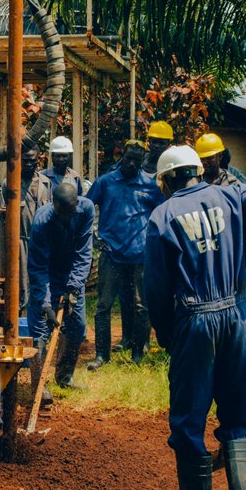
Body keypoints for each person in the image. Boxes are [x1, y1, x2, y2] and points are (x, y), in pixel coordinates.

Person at [145, 146, 246, 490]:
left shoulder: (163, 216)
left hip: (196, 319)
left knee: (189, 421)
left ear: (168, 180)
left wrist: (165, 332)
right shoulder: (230, 194)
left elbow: (156, 289)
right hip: (239, 316)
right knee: (239, 415)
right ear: (196, 171)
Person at [87, 140, 163, 368]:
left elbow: (161, 215)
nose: (130, 164)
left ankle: (138, 354)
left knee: (141, 307)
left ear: (142, 162)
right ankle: (102, 355)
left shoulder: (150, 186)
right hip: (111, 254)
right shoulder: (106, 182)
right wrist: (93, 239)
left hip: (140, 256)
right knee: (104, 306)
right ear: (122, 156)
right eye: (128, 158)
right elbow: (85, 208)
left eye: (136, 161)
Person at [27, 182, 95, 388]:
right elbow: (38, 267)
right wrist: (46, 303)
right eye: (63, 212)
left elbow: (83, 253)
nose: (67, 217)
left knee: (77, 326)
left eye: (71, 211)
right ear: (53, 204)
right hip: (47, 274)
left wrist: (74, 287)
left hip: (71, 274)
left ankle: (65, 377)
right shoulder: (42, 221)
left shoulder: (86, 209)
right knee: (40, 329)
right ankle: (40, 385)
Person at [0, 144, 51, 311]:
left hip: (41, 243)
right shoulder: (10, 183)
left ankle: (38, 322)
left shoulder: (46, 183)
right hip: (19, 243)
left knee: (41, 283)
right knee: (20, 284)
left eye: (33, 161)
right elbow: (1, 217)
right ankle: (19, 320)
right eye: (26, 161)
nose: (29, 164)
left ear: (39, 161)